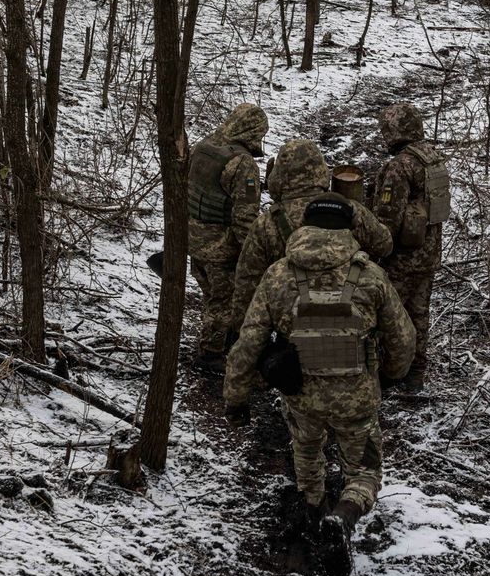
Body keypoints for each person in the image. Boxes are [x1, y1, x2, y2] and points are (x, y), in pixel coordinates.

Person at [223, 197, 415, 576]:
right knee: (364, 471)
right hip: (356, 398)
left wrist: (236, 397)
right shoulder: (372, 276)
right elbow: (403, 339)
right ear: (347, 229)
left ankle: (314, 511)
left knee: (307, 451)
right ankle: (343, 517)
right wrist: (392, 375)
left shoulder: (278, 275)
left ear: (304, 228)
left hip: (301, 396)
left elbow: (249, 342)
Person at [231, 139, 392, 334]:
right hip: (351, 321)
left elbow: (247, 284)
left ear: (279, 176)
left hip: (291, 326)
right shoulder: (349, 210)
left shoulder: (266, 224)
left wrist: (241, 333)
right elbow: (385, 245)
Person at [367, 102, 451, 393]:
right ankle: (415, 373)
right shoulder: (433, 160)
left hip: (401, 258)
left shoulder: (399, 166)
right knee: (419, 313)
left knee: (389, 316)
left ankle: (388, 372)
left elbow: (387, 219)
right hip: (428, 254)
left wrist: (372, 249)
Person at [186, 103, 269, 373]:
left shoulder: (204, 147)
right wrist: (255, 254)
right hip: (221, 248)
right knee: (222, 303)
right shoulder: (242, 164)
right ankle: (211, 355)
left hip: (194, 239)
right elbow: (244, 218)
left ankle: (215, 343)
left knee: (211, 295)